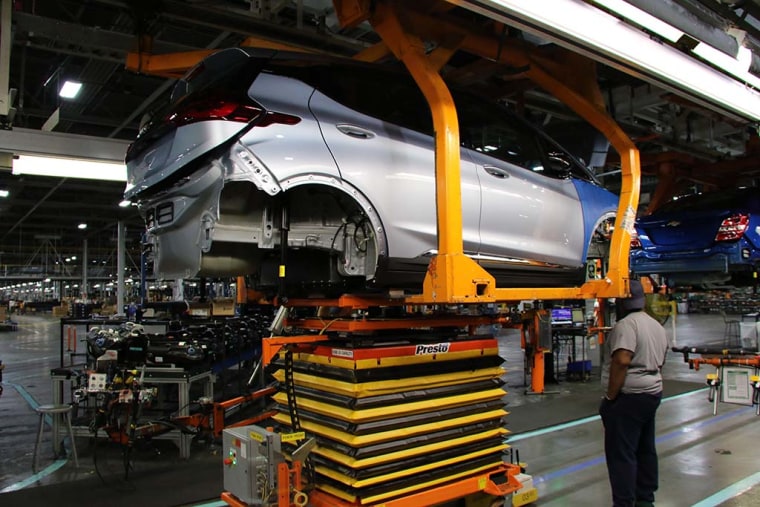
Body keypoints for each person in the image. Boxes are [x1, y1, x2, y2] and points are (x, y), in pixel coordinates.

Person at [600, 279, 669, 507]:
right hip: (652, 393)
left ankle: (624, 502)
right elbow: (662, 360)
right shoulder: (656, 325)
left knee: (621, 454)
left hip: (629, 398)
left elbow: (621, 360)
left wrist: (611, 397)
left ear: (621, 301)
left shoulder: (626, 326)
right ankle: (645, 499)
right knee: (645, 448)